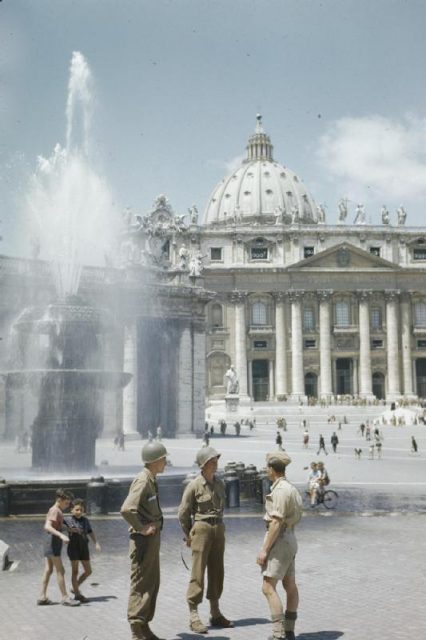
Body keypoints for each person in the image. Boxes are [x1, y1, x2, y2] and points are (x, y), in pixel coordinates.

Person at [178, 446, 233, 634]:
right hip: (201, 530)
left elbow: (222, 507)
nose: (215, 463)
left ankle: (215, 612)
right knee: (198, 573)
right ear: (203, 464)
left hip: (218, 528)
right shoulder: (194, 485)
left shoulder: (220, 484)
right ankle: (194, 615)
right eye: (212, 461)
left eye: (216, 460)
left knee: (217, 572)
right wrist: (188, 534)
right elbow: (183, 513)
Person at [120, 441, 168, 640]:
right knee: (141, 583)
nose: (166, 462)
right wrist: (142, 527)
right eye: (164, 459)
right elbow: (126, 509)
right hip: (143, 542)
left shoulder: (151, 478)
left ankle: (144, 626)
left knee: (151, 582)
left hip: (151, 541)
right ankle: (137, 630)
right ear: (155, 460)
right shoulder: (142, 480)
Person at [256, 452, 303, 640]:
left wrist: (264, 550)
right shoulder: (289, 488)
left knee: (267, 587)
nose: (266, 470)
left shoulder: (280, 490)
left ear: (271, 469)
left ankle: (279, 634)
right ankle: (289, 630)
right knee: (289, 584)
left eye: (267, 467)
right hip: (289, 538)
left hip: (280, 540)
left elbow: (276, 522)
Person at [38, 488, 79, 607]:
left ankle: (42, 596)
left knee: (48, 570)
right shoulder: (55, 510)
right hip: (52, 542)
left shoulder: (56, 510)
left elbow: (55, 526)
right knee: (61, 570)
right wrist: (62, 535)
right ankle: (65, 597)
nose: (67, 505)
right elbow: (47, 526)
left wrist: (68, 529)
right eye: (66, 503)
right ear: (60, 500)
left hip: (49, 541)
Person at [64, 498, 101, 602]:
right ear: (71, 510)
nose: (79, 512)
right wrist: (66, 533)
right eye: (77, 509)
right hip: (73, 548)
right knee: (75, 572)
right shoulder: (67, 520)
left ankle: (74, 587)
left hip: (84, 547)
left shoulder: (85, 520)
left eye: (81, 510)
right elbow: (58, 527)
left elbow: (90, 531)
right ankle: (77, 594)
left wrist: (96, 542)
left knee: (88, 571)